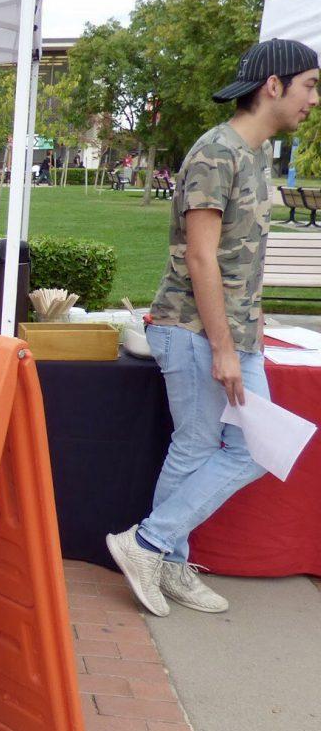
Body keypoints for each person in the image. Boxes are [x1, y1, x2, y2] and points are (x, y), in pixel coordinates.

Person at [107, 38, 320, 617]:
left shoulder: (256, 155)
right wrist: (224, 346)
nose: (313, 100)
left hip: (233, 329)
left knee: (247, 448)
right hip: (194, 329)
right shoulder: (215, 152)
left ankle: (159, 550)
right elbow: (200, 257)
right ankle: (155, 549)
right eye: (309, 85)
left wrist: (248, 320)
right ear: (272, 85)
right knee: (206, 444)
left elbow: (234, 255)